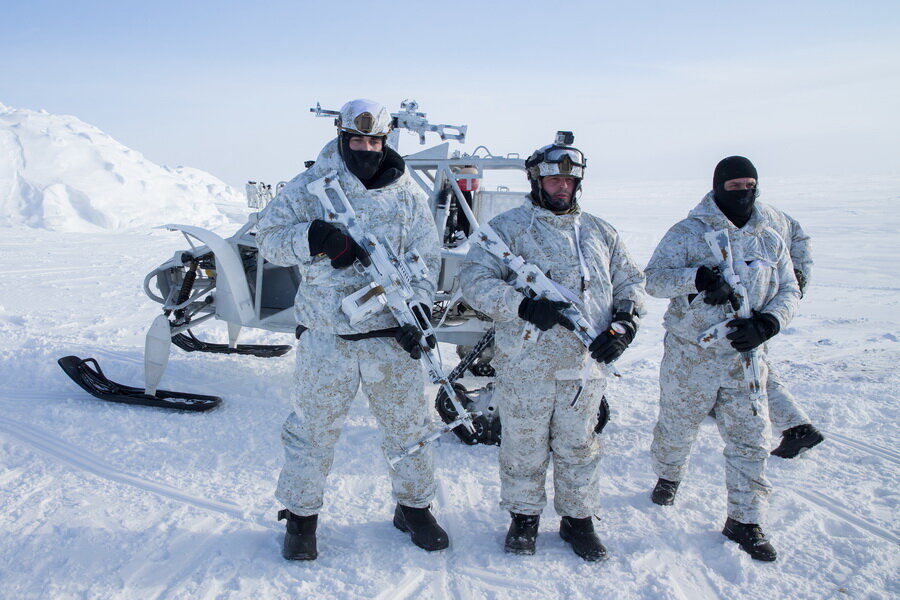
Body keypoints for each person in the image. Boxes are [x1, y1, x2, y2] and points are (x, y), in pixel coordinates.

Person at [256, 99, 447, 560]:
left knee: (410, 430)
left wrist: (415, 312)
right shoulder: (310, 187)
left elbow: (427, 256)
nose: (367, 149)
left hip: (390, 338)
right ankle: (301, 519)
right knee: (312, 432)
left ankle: (414, 508)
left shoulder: (404, 194)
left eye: (375, 141)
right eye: (358, 141)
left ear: (385, 142)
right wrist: (314, 238)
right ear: (343, 139)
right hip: (327, 338)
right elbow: (268, 238)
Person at [460, 134, 645, 561]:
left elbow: (630, 282)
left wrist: (625, 324)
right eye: (552, 178)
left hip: (584, 364)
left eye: (569, 179)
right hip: (526, 363)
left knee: (579, 444)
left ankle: (577, 519)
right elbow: (474, 280)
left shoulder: (600, 232)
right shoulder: (506, 230)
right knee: (523, 442)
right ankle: (524, 517)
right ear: (535, 180)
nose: (562, 186)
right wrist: (521, 305)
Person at [645, 156, 801, 561]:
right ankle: (668, 475)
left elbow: (790, 289)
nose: (744, 192)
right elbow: (654, 279)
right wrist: (695, 279)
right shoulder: (689, 233)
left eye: (750, 184)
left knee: (751, 441)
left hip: (745, 360)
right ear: (718, 187)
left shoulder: (770, 237)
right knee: (676, 430)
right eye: (735, 186)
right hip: (690, 356)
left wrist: (768, 323)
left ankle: (745, 521)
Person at [756, 202, 825, 458]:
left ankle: (797, 427)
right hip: (770, 302)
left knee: (752, 364)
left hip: (761, 302)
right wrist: (799, 280)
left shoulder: (760, 217)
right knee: (747, 361)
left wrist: (794, 283)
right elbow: (801, 240)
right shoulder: (778, 216)